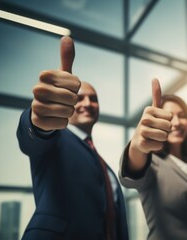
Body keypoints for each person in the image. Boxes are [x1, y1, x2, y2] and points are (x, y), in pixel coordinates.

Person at [16, 36, 129, 240]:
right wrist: (38, 120)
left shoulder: (100, 161)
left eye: (93, 99)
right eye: (79, 97)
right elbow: (31, 138)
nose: (87, 103)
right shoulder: (55, 136)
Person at [119, 79, 187, 240]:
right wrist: (136, 147)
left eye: (182, 116)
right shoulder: (153, 164)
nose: (177, 122)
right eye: (170, 117)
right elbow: (131, 173)